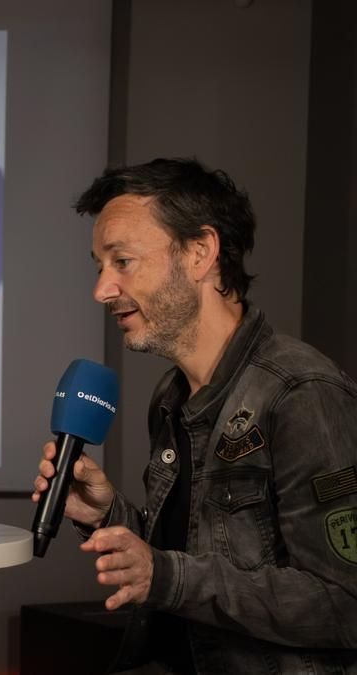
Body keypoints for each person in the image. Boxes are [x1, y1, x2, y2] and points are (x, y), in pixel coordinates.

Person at [31, 158, 357, 673]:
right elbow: (190, 553)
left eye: (123, 261)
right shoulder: (171, 396)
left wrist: (164, 578)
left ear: (201, 253)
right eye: (100, 267)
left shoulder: (301, 392)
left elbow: (344, 602)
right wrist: (109, 514)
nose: (102, 290)